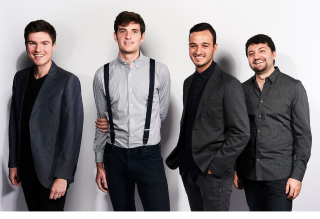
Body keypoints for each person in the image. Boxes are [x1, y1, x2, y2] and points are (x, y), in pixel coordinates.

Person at [165, 23, 250, 212]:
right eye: (193, 45)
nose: (198, 51)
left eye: (204, 45)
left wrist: (216, 166)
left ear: (214, 47)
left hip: (213, 174)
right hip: (188, 169)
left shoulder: (229, 84)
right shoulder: (188, 82)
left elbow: (242, 132)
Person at [93, 11, 171, 212]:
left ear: (142, 36)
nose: (128, 36)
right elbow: (101, 121)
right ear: (115, 35)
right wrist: (99, 163)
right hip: (114, 156)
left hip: (148, 155)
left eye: (134, 31)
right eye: (123, 31)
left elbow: (161, 114)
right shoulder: (102, 74)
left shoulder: (159, 71)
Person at [8, 20, 84, 212]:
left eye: (44, 43)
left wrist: (63, 176)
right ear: (27, 46)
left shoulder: (68, 81)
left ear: (54, 46)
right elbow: (15, 123)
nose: (38, 49)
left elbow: (72, 134)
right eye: (32, 43)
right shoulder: (20, 78)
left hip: (51, 173)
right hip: (25, 168)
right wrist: (13, 164)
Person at [234, 34, 312, 212]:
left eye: (262, 50)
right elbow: (237, 132)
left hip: (281, 176)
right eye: (251, 53)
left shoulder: (293, 87)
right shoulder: (241, 89)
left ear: (273, 54)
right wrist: (235, 168)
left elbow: (303, 136)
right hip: (250, 174)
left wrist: (297, 176)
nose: (256, 56)